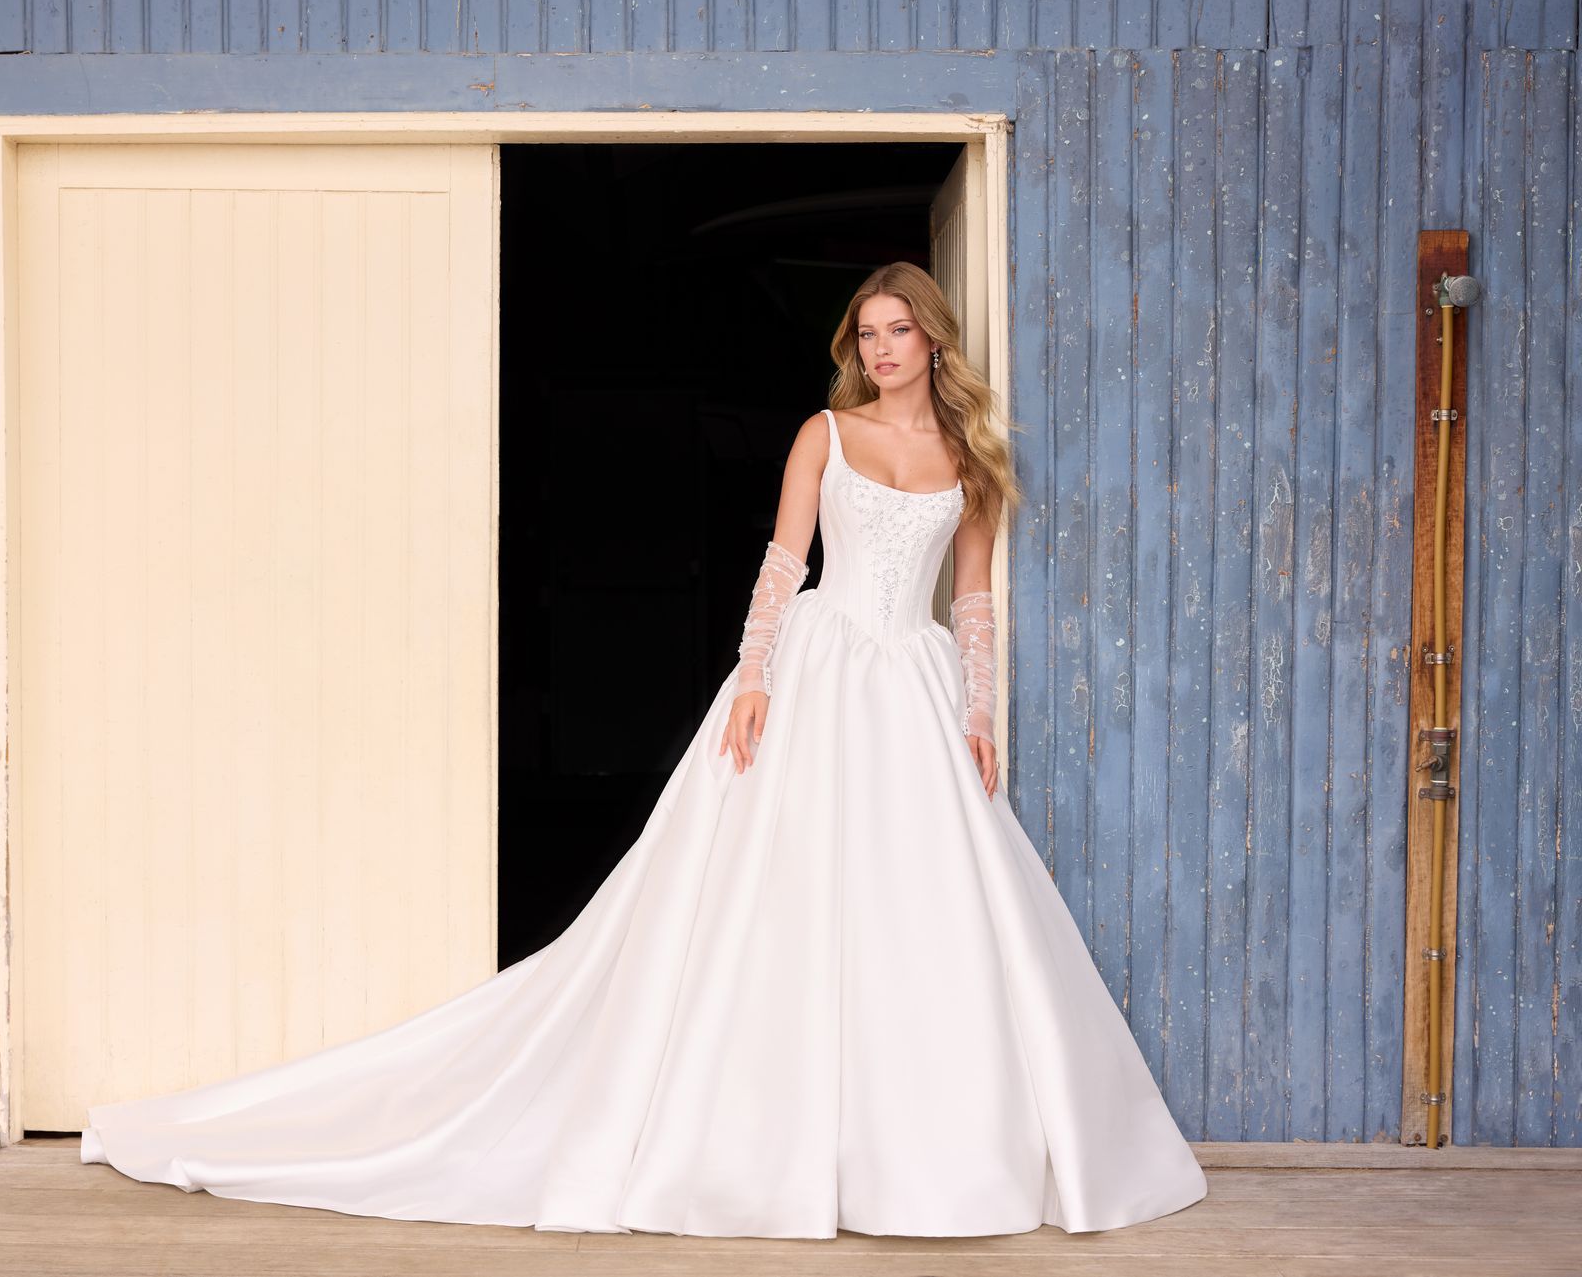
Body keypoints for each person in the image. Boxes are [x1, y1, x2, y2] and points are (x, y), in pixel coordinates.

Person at [80, 261, 1210, 1239]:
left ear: (933, 341)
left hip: (912, 689)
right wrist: (755, 677)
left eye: (897, 332)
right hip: (815, 675)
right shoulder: (824, 434)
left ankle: (922, 1151)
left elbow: (971, 601)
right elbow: (784, 564)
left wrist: (978, 715)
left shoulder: (970, 458)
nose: (879, 350)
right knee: (778, 899)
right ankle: (760, 1141)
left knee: (922, 911)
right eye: (866, 335)